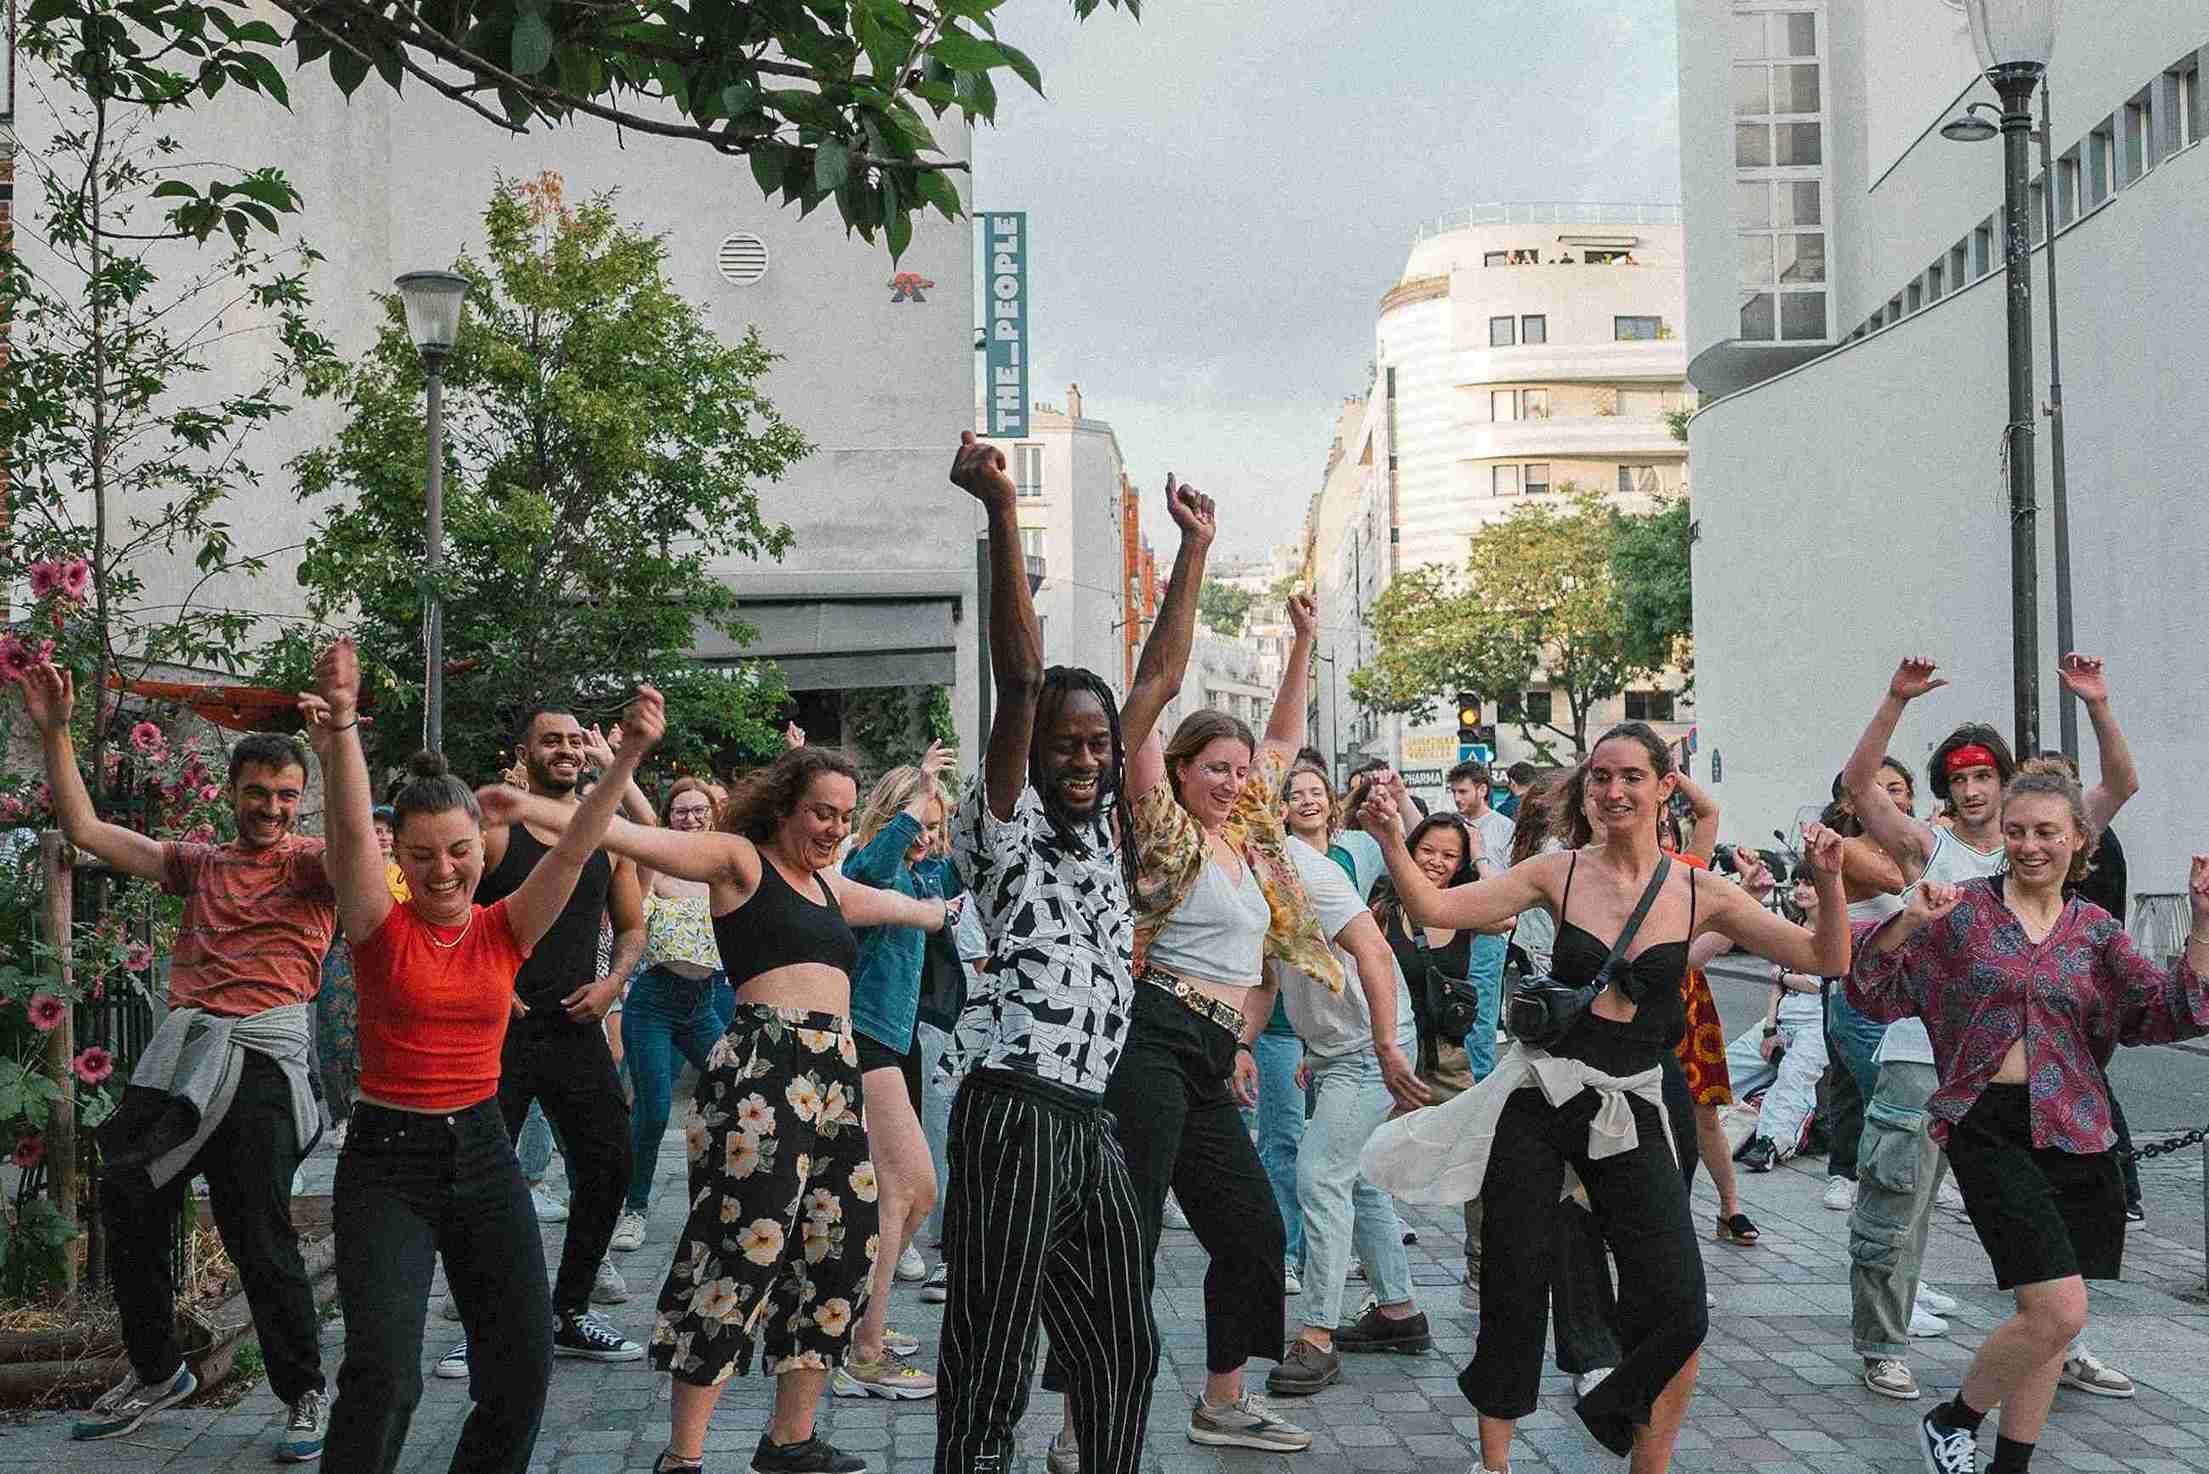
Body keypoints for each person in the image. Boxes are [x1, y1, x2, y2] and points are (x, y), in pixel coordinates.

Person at [1358, 724, 1852, 1474]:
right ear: (1584, 791)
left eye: (1629, 777)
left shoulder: (1699, 890)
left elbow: (1827, 957)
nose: (1612, 791)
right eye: (1598, 778)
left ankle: (1611, 1411)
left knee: (1680, 1303)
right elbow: (1433, 907)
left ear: (1662, 789)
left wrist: (1830, 879)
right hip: (1544, 1094)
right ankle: (1491, 1465)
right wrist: (1393, 836)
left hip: (1635, 1101)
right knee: (1513, 1281)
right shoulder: (1555, 872)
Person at [498, 745, 953, 1474]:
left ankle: (789, 1440)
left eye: (843, 815)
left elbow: (903, 906)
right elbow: (634, 837)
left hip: (837, 1076)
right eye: (821, 813)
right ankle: (683, 1457)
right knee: (742, 1251)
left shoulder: (828, 887)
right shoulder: (743, 862)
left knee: (840, 1249)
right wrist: (527, 808)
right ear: (783, 808)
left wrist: (939, 912)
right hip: (763, 1071)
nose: (835, 827)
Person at [304, 641, 660, 1472]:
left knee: (520, 1373)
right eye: (420, 854)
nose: (442, 869)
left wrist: (632, 754)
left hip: (482, 1155)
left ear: (482, 844)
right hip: (388, 1162)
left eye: (458, 850)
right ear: (399, 860)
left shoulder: (505, 928)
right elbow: (353, 828)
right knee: (385, 1377)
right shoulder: (376, 925)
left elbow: (574, 848)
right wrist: (346, 724)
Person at [938, 434, 1202, 1474]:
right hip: (1014, 1108)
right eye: (1068, 744)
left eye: (1098, 743)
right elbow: (1020, 676)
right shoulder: (999, 825)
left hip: (1087, 1121)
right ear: (1032, 752)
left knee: (1123, 1350)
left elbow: (1162, 676)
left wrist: (1193, 548)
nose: (1088, 758)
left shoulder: (1103, 825)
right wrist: (1002, 509)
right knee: (991, 1364)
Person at [1035, 591, 1341, 1463]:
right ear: (1178, 772)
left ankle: (1223, 1401)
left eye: (1240, 771)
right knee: (1119, 1230)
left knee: (1251, 1228)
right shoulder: (1167, 833)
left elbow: (1279, 741)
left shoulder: (1250, 839)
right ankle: (1073, 1422)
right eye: (1215, 767)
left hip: (1209, 1050)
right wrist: (1183, 579)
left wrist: (1303, 643)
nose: (1236, 781)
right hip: (1149, 1037)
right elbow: (1142, 716)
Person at [1848, 761, 2207, 1474]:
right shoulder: (1961, 913)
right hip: (1986, 1121)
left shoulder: (2097, 932)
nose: (2029, 845)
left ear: (2079, 839)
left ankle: (2009, 1464)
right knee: (2059, 1312)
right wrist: (1906, 921)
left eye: (2046, 831)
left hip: (2073, 1126)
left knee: (2043, 1322)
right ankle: (1950, 1420)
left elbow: (2171, 1010)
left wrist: (2202, 925)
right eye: (2015, 832)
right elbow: (1871, 990)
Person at [16, 663, 334, 1457]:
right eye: (258, 792)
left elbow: (364, 859)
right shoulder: (200, 864)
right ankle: (160, 1370)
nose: (271, 807)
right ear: (233, 792)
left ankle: (304, 1392)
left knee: (255, 1229)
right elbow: (88, 831)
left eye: (287, 794)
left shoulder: (313, 865)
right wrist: (56, 729)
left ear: (302, 798)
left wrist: (340, 739)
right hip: (188, 1054)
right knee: (124, 1186)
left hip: (262, 1056)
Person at [1842, 654, 2139, 1402]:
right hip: (1924, 1055)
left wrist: (2098, 704)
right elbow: (1857, 790)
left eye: (1985, 777)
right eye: (1959, 779)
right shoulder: (1927, 848)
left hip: (2033, 1066)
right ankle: (1883, 1343)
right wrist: (1893, 698)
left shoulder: (2048, 837)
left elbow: (2120, 785)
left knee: (2048, 1221)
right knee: (1897, 1201)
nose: (1972, 791)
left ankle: (2053, 1341)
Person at [439, 707, 649, 1381]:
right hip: (496, 1034)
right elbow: (448, 916)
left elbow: (632, 926)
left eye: (571, 741)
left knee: (610, 1163)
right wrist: (494, 988)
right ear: (525, 752)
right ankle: (480, 1329)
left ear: (587, 752)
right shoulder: (496, 832)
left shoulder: (604, 836)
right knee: (477, 1184)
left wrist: (613, 982)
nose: (562, 750)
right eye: (548, 740)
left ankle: (570, 1309)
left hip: (576, 1026)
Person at [1262, 789, 1432, 1400]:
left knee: (1319, 1175)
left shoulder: (1305, 870)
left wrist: (1386, 1046)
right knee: (1357, 1180)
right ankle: (1398, 1311)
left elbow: (1376, 952)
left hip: (1368, 1048)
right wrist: (1251, 1046)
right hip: (1340, 1048)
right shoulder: (1248, 870)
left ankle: (1316, 1336)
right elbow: (1268, 978)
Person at [831, 743, 961, 1401]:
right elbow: (878, 855)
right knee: (901, 1193)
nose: (927, 834)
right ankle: (863, 1350)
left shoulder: (915, 875)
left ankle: (855, 1316)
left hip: (892, 1044)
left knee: (917, 1193)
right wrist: (919, 791)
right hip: (864, 1044)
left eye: (935, 824)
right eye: (922, 821)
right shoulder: (868, 866)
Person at [609, 776, 733, 1257]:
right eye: (681, 811)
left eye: (700, 809)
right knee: (655, 1110)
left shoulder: (721, 868)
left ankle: (722, 1199)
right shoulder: (654, 867)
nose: (692, 818)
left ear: (714, 814)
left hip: (704, 1003)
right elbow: (641, 828)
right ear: (668, 817)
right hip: (654, 1004)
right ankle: (634, 1210)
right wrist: (620, 769)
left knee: (737, 1086)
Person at [1371, 812, 1494, 1292]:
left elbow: (1506, 914)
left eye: (1450, 856)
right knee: (1361, 1163)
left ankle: (1482, 1269)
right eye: (1428, 851)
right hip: (1389, 1055)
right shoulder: (1384, 905)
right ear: (1411, 847)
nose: (1437, 863)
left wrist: (1481, 851)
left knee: (1480, 1158)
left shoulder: (1463, 907)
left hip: (1446, 1058)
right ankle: (1377, 1269)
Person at [1658, 774, 1755, 1249]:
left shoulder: (1685, 875)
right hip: (1639, 1008)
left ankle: (1729, 1205)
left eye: (1664, 832)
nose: (1658, 839)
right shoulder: (1607, 876)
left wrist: (1670, 774)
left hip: (1689, 1003)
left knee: (1705, 1115)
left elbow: (1709, 812)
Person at [1728, 868, 1834, 1171]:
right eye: (1798, 883)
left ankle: (1770, 1144)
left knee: (1794, 1075)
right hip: (1783, 1019)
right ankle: (1701, 1121)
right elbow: (1776, 985)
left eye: (1810, 884)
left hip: (1818, 1023)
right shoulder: (1791, 928)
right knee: (1730, 1063)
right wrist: (1769, 1029)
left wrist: (1785, 975)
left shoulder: (1836, 931)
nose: (1801, 890)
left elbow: (1819, 983)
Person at [1449, 760, 1515, 874]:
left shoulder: (1505, 827)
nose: (1457, 798)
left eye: (1463, 792)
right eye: (1453, 792)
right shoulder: (1452, 824)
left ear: (1482, 790)